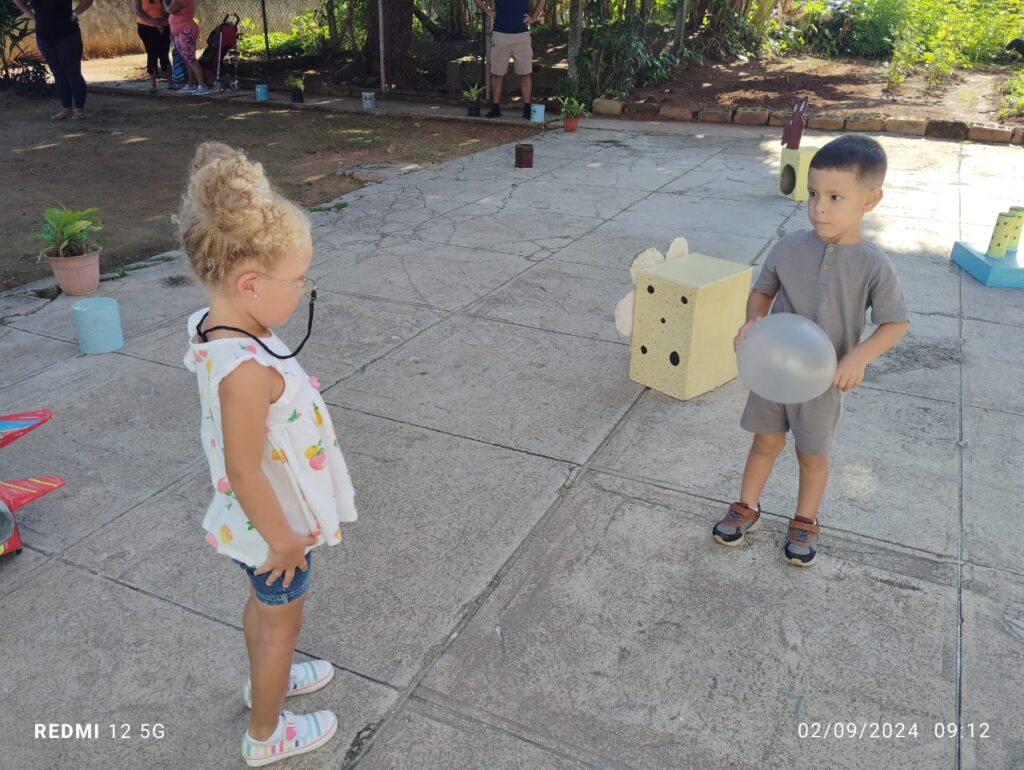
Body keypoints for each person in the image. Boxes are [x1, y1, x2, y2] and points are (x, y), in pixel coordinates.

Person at [181, 142, 358, 765]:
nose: (303, 289)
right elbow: (243, 467)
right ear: (250, 283)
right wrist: (284, 541)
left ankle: (265, 680)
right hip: (272, 527)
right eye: (298, 280)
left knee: (262, 610)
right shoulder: (247, 370)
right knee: (282, 625)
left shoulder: (221, 324)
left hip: (248, 522)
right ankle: (266, 733)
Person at [715, 135, 910, 567]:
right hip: (773, 370)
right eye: (814, 194)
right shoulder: (788, 247)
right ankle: (747, 505)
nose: (819, 207)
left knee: (812, 453)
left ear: (870, 199)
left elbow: (895, 322)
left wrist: (857, 357)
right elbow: (762, 292)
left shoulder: (874, 265)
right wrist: (753, 322)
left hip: (823, 381)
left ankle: (805, 519)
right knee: (765, 441)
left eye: (836, 197)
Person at [13, 0, 94, 119]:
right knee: (57, 72)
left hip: (67, 35)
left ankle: (79, 110)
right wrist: (32, 15)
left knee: (73, 72)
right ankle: (66, 109)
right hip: (44, 36)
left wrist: (75, 14)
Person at [473, 0, 545, 119]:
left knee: (525, 73)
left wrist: (533, 17)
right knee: (497, 73)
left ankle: (527, 109)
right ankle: (495, 108)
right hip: (500, 34)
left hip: (522, 35)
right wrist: (487, 10)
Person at [162, 0, 206, 94]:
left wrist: (164, 2)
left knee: (191, 59)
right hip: (178, 33)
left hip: (187, 31)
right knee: (186, 59)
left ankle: (202, 85)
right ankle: (191, 84)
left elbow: (170, 10)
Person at [132, 0, 172, 93]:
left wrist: (160, 19)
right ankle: (153, 85)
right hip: (146, 26)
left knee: (164, 53)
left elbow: (169, 7)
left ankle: (170, 83)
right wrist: (153, 22)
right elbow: (137, 10)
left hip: (164, 25)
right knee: (152, 54)